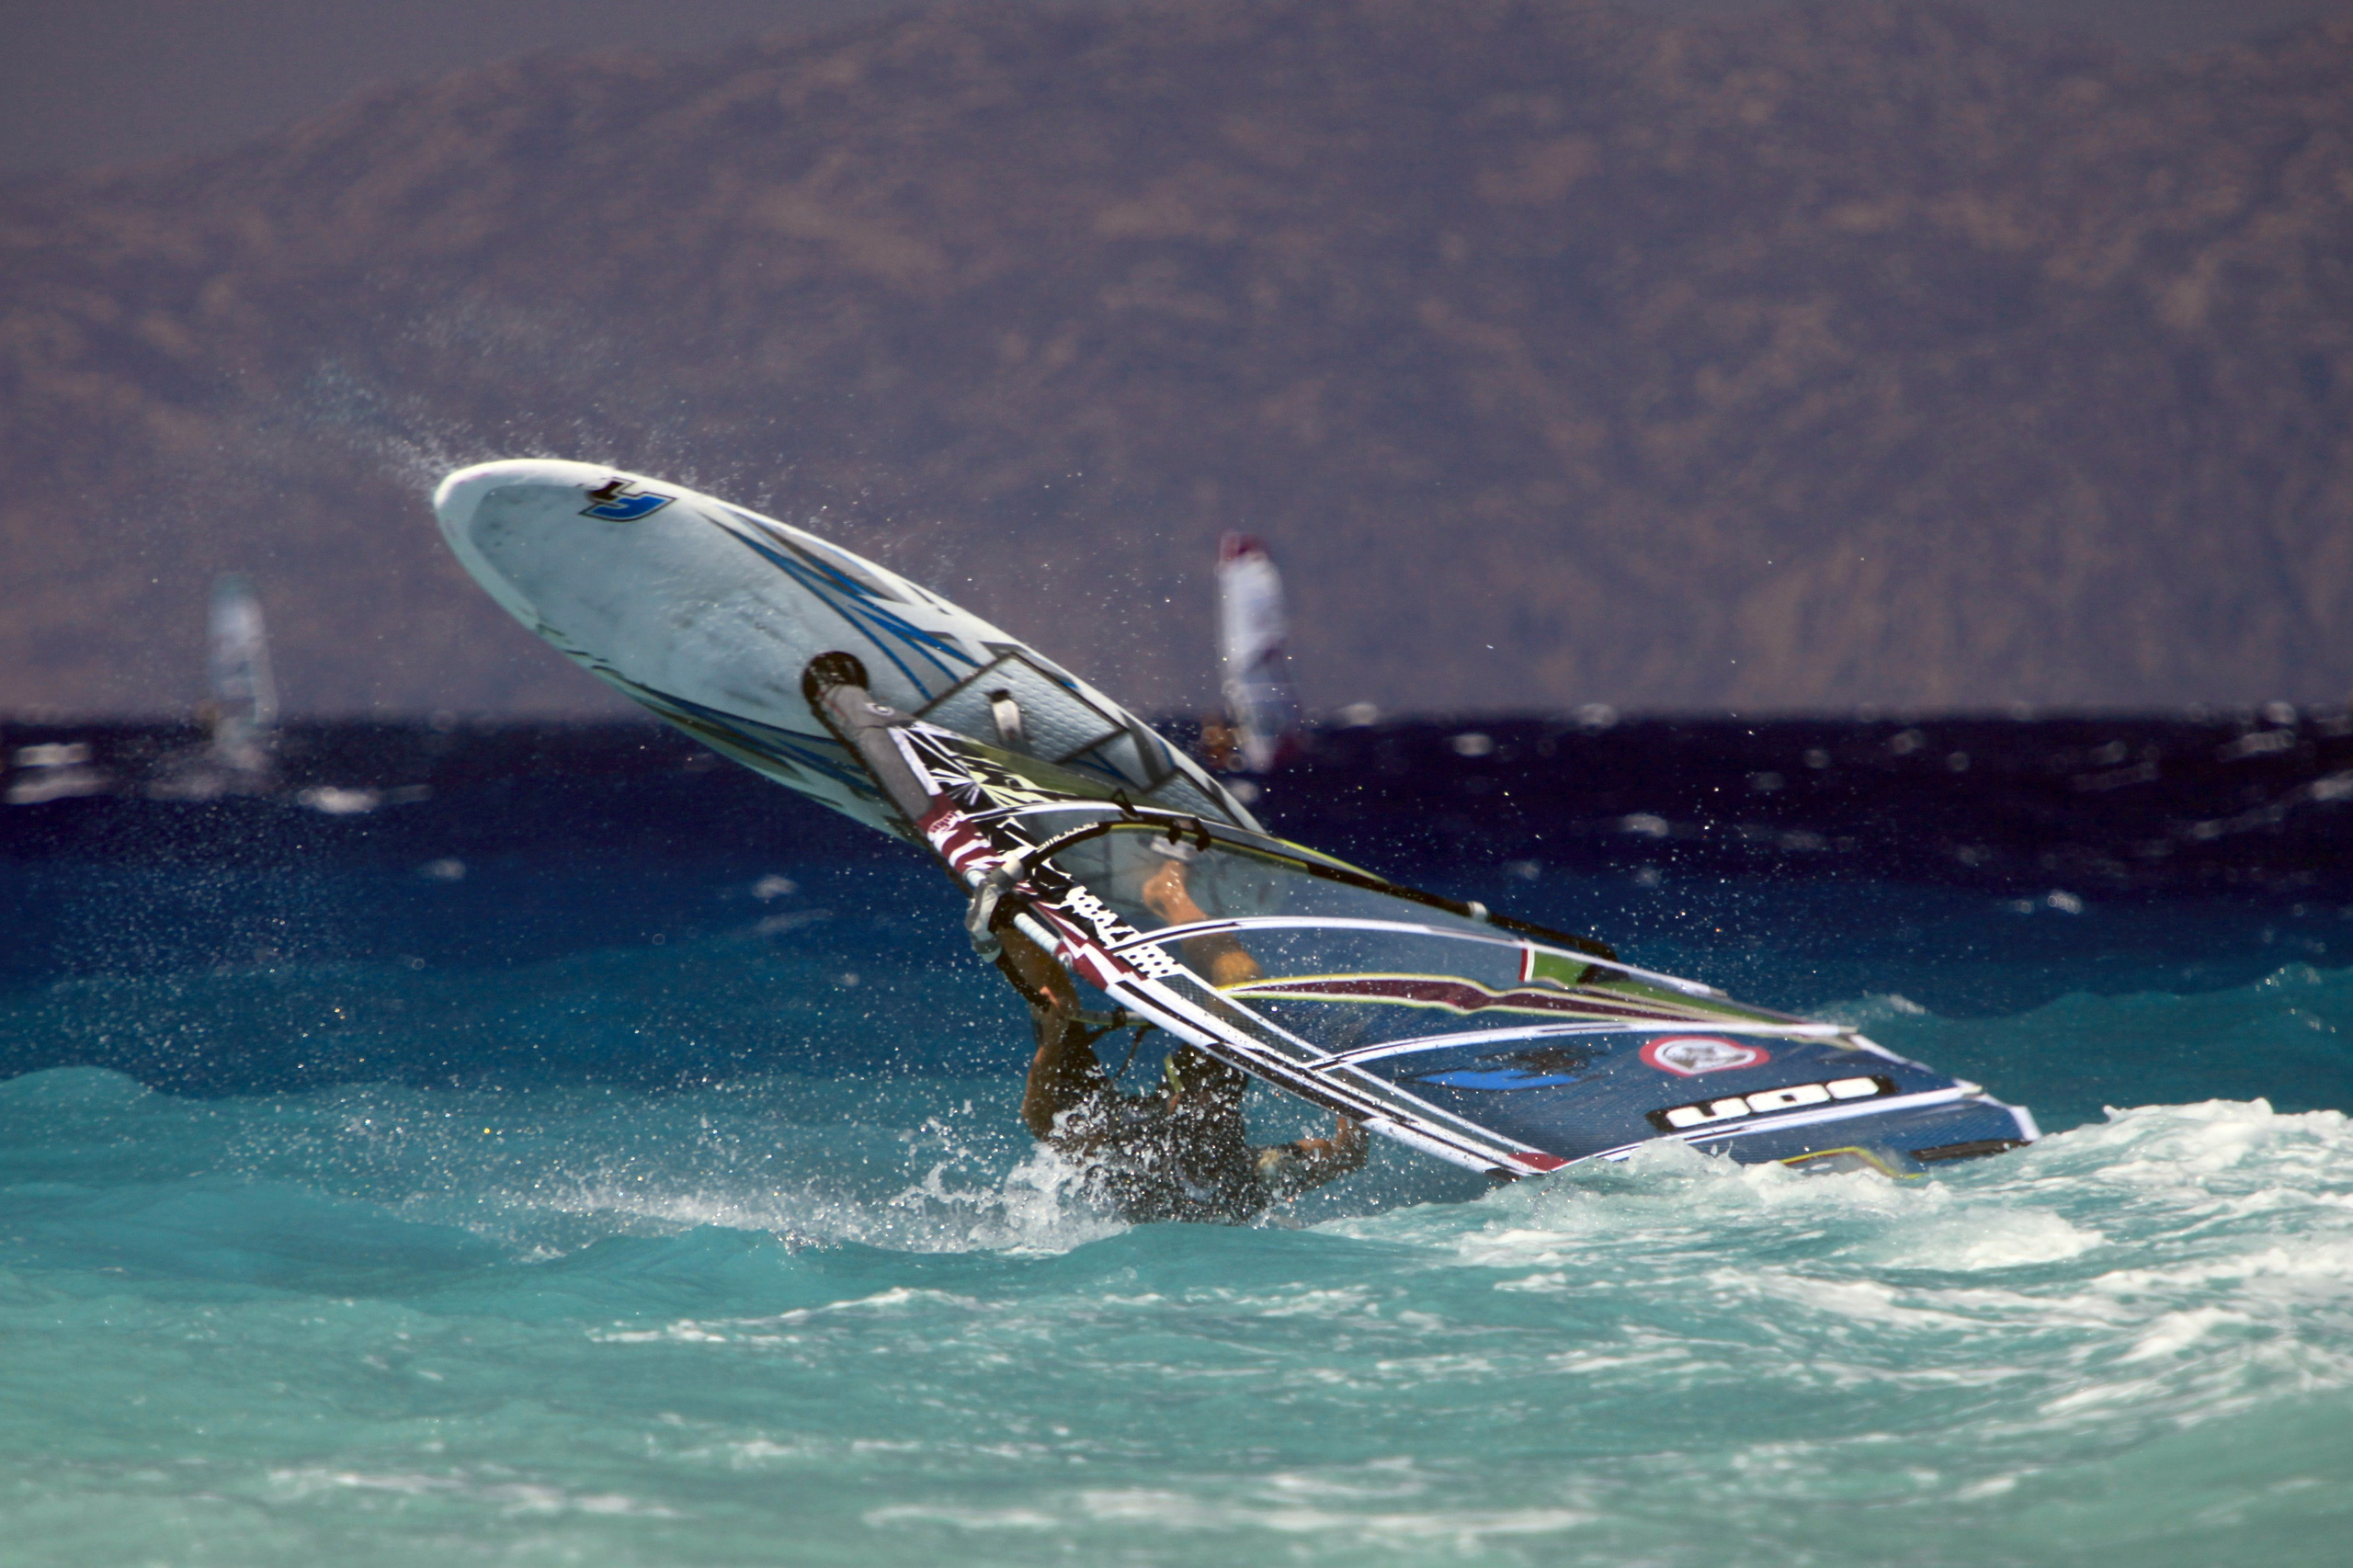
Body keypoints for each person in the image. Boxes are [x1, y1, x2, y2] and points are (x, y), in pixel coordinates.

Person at [995, 866, 1366, 1224]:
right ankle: (1168, 894)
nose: (1212, 1107)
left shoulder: (1133, 1161)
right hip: (1155, 1124)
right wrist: (1348, 1068)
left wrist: (1053, 1041)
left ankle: (1000, 912)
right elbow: (1348, 1154)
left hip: (1115, 1124)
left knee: (1058, 1006)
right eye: (1215, 1108)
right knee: (1242, 982)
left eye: (1214, 1112)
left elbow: (1040, 1121)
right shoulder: (1253, 1174)